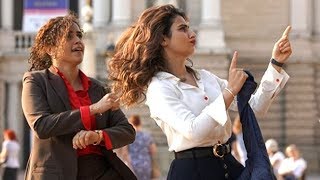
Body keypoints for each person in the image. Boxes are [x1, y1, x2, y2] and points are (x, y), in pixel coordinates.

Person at [108, 4, 291, 179]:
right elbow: (194, 130)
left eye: (190, 28)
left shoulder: (206, 78)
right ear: (163, 39)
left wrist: (276, 64)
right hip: (193, 171)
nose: (192, 34)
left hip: (229, 165)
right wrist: (229, 91)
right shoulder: (159, 88)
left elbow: (254, 109)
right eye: (183, 29)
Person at [21, 13, 136, 180]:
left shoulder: (97, 88)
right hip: (57, 173)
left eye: (79, 35)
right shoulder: (36, 80)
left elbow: (127, 131)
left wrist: (97, 136)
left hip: (102, 172)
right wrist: (92, 110)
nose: (78, 41)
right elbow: (41, 125)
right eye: (69, 36)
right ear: (50, 48)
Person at [128, 115, 159, 180]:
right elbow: (153, 151)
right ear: (140, 123)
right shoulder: (147, 135)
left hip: (132, 165)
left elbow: (124, 153)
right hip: (146, 164)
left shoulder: (128, 137)